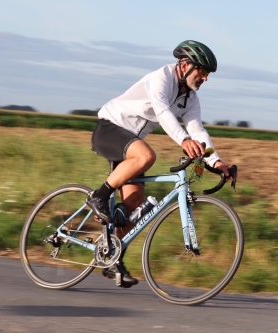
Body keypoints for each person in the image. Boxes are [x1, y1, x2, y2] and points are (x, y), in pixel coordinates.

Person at [86, 40, 236, 287]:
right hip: (109, 129)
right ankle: (97, 197)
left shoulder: (190, 98)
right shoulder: (161, 79)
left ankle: (112, 257)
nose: (205, 79)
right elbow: (163, 113)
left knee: (133, 205)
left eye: (207, 75)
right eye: (202, 72)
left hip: (130, 143)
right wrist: (184, 140)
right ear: (186, 65)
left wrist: (216, 162)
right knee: (146, 157)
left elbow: (197, 129)